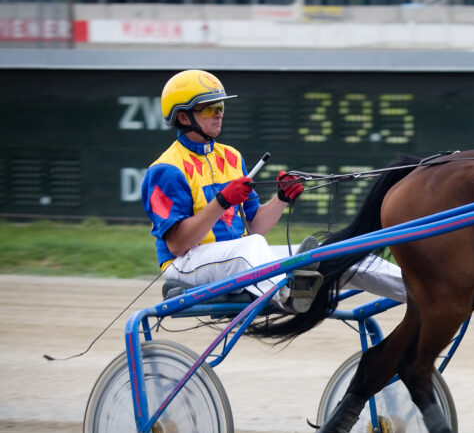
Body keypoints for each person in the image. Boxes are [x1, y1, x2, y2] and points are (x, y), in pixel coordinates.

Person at [141, 69, 406, 311]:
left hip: (237, 255)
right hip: (186, 265)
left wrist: (281, 198)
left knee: (335, 253)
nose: (219, 113)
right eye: (209, 109)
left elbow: (254, 225)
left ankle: (421, 289)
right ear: (184, 117)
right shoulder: (166, 170)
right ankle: (288, 296)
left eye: (220, 107)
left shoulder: (231, 157)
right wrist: (222, 201)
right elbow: (177, 245)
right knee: (252, 246)